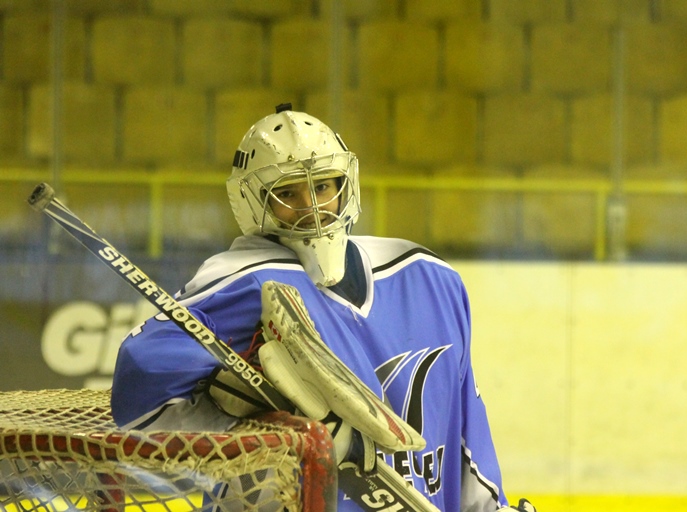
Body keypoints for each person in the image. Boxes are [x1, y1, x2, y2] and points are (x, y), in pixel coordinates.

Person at [111, 104, 533, 511]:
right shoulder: (244, 280)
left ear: (346, 185)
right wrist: (276, 429)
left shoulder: (429, 278)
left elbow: (465, 427)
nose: (311, 207)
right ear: (254, 203)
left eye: (323, 186)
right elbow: (139, 385)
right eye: (287, 192)